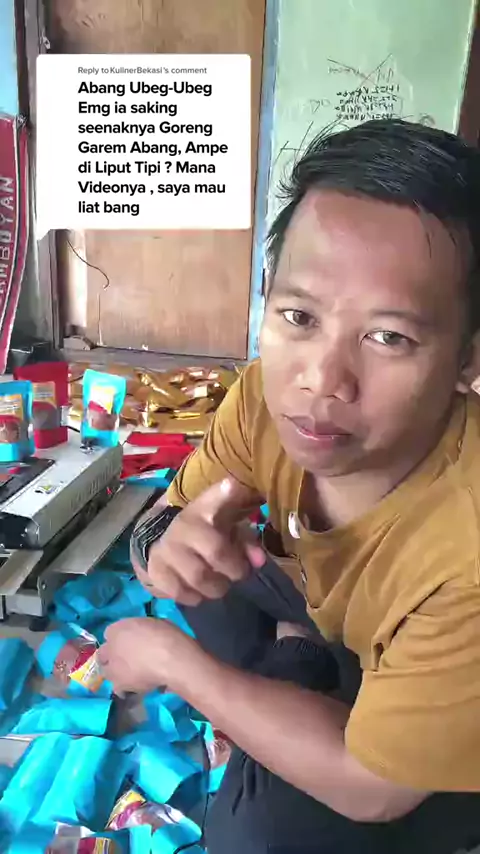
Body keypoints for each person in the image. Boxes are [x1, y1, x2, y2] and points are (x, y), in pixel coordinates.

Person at [99, 118, 480, 853]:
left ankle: (307, 691)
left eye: (389, 337)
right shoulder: (262, 401)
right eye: (300, 317)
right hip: (337, 615)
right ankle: (301, 661)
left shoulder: (468, 544)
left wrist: (178, 665)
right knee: (207, 568)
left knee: (254, 836)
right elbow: (166, 520)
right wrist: (166, 546)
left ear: (468, 359)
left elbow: (372, 789)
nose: (320, 380)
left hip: (449, 737)